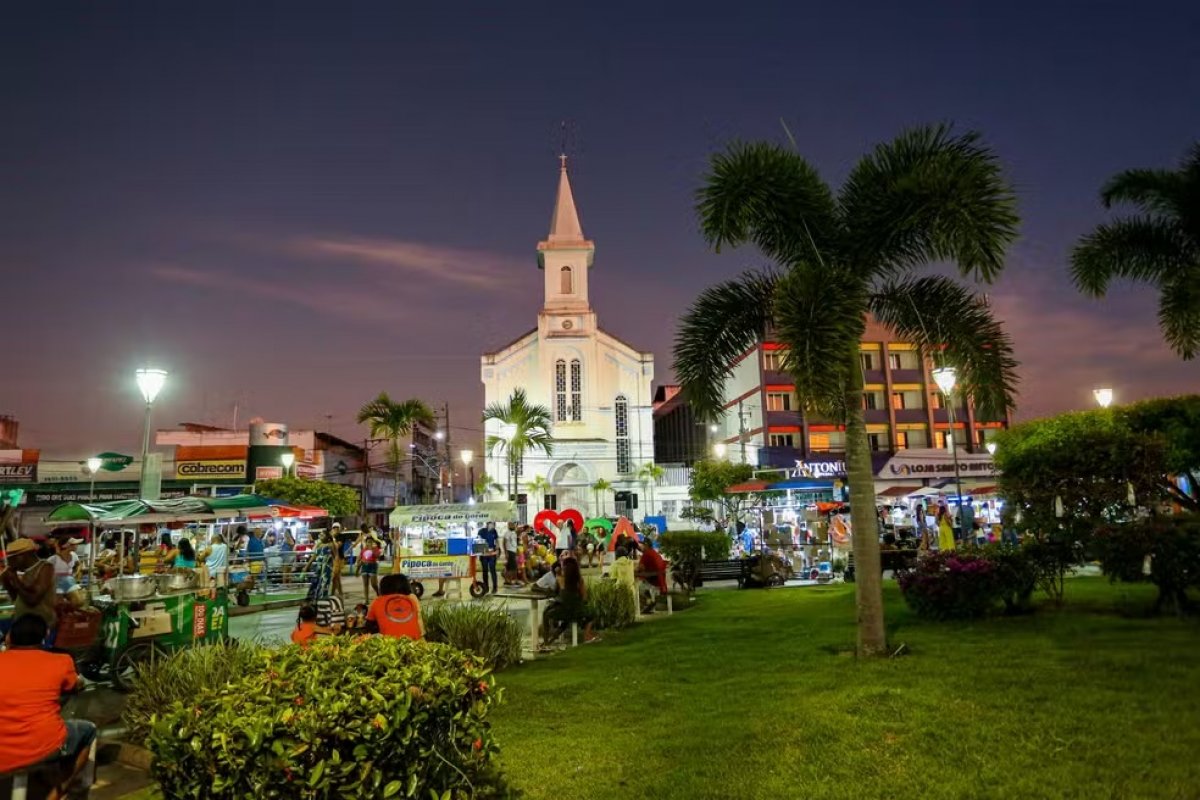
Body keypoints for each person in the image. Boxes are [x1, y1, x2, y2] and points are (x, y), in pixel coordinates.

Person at [0, 614, 96, 797]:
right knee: (88, 731)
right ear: (45, 637)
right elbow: (75, 685)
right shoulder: (61, 661)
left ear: (9, 637)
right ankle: (62, 793)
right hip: (42, 746)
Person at [1, 538, 56, 636]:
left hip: (40, 627)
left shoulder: (45, 568)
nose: (9, 563)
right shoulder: (27, 572)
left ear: (22, 556)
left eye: (11, 559)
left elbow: (32, 599)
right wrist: (6, 581)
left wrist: (15, 580)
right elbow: (16, 597)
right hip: (24, 624)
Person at [542, 557, 595, 645]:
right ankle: (587, 635)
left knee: (546, 613)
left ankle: (546, 640)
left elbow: (556, 593)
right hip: (576, 611)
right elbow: (585, 597)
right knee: (589, 614)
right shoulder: (579, 580)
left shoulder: (560, 578)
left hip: (562, 612)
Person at [365, 574, 424, 640]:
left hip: (390, 642)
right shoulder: (411, 600)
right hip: (415, 642)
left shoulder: (377, 601)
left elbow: (369, 626)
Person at [635, 539, 669, 614]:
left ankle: (648, 603)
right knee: (641, 579)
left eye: (642, 545)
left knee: (637, 586)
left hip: (654, 582)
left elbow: (640, 568)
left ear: (646, 545)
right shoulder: (654, 552)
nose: (640, 547)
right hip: (660, 582)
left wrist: (634, 572)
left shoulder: (646, 554)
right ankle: (649, 603)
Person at [356, 530, 382, 599]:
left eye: (371, 542)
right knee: (365, 584)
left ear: (373, 542)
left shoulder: (375, 549)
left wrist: (372, 550)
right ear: (366, 542)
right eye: (368, 542)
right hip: (364, 566)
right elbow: (359, 558)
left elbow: (377, 556)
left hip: (373, 566)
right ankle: (366, 599)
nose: (369, 543)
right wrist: (357, 566)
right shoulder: (363, 550)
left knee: (374, 584)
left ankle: (378, 592)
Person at [477, 521, 499, 595]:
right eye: (492, 524)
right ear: (487, 524)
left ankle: (495, 588)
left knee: (493, 571)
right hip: (484, 555)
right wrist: (482, 551)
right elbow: (478, 542)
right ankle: (486, 587)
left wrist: (497, 549)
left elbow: (496, 541)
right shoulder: (481, 531)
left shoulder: (494, 531)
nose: (493, 526)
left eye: (494, 524)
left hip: (492, 554)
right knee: (485, 571)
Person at [502, 522, 521, 587]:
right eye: (511, 525)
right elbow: (504, 543)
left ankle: (510, 580)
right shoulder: (507, 533)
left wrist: (517, 550)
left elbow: (514, 542)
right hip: (509, 551)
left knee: (512, 567)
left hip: (513, 551)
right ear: (508, 526)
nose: (513, 526)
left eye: (513, 525)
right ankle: (508, 581)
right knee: (511, 568)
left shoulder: (514, 533)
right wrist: (506, 552)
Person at [330, 523, 346, 599]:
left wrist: (333, 538)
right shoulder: (330, 537)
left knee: (335, 576)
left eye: (337, 528)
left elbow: (337, 546)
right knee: (336, 577)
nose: (335, 530)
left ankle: (333, 593)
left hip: (339, 558)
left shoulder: (341, 536)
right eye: (334, 528)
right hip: (332, 558)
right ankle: (339, 593)